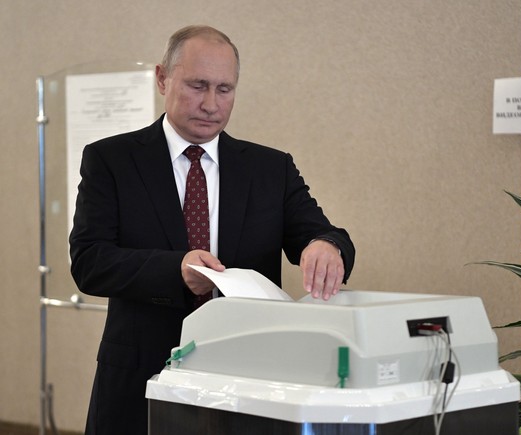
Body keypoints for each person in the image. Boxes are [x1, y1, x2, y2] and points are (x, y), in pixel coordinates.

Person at [69, 25, 355, 435]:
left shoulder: (269, 169)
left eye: (225, 89)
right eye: (197, 85)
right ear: (162, 78)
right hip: (140, 381)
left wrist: (327, 246)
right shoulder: (111, 160)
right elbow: (90, 261)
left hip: (246, 380)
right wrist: (176, 269)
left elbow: (325, 234)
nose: (210, 103)